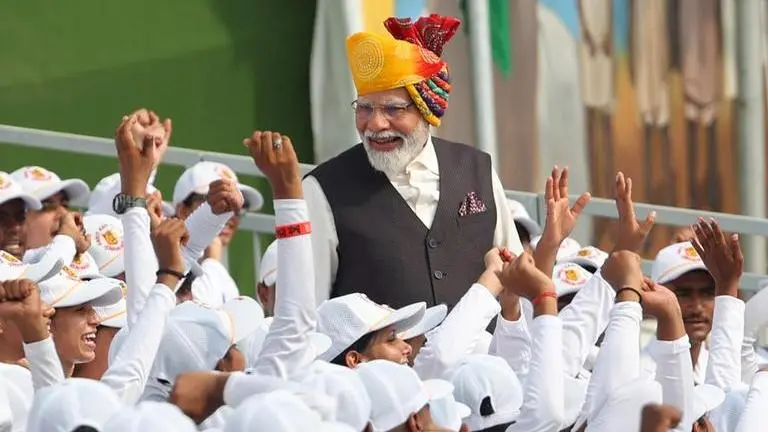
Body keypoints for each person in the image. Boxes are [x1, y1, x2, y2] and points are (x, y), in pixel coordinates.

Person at [301, 14, 523, 309]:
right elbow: (311, 308)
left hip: (483, 353)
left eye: (393, 109)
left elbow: (515, 275)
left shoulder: (475, 168)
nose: (376, 124)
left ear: (427, 111)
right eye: (364, 108)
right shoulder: (323, 189)